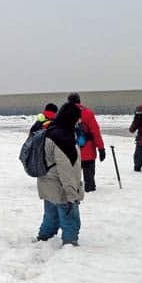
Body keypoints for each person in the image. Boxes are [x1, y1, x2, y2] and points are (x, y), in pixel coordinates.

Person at [35, 102, 84, 246]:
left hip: (46, 181)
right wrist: (72, 194)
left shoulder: (50, 130)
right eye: (77, 119)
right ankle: (70, 243)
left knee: (50, 215)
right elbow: (67, 169)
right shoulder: (64, 138)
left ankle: (44, 238)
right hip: (60, 186)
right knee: (70, 218)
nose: (78, 122)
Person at [67, 92, 105, 192]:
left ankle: (74, 190)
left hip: (71, 151)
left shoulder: (64, 114)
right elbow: (96, 132)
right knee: (89, 176)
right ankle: (90, 189)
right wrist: (101, 148)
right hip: (88, 151)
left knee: (73, 176)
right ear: (79, 101)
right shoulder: (88, 113)